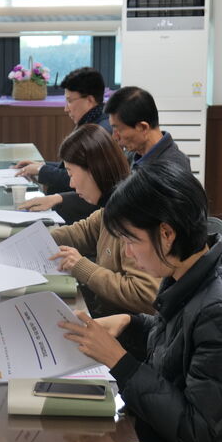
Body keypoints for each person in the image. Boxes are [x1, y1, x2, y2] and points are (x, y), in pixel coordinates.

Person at [60, 163, 222, 442]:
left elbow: (194, 429)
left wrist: (118, 360)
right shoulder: (194, 268)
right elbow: (185, 341)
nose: (128, 252)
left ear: (166, 233)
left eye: (131, 240)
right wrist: (129, 323)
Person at [49, 124, 161, 317]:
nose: (71, 184)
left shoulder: (132, 214)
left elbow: (146, 294)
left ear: (93, 170)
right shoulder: (112, 205)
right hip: (105, 313)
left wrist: (82, 267)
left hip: (126, 326)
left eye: (71, 173)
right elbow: (84, 232)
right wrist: (36, 239)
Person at [14, 67, 111, 224]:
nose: (66, 108)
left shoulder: (98, 132)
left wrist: (41, 170)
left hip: (82, 217)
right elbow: (75, 169)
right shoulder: (92, 121)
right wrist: (42, 165)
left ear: (89, 100)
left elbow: (79, 180)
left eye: (70, 101)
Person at [104, 86, 191, 171]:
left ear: (143, 127)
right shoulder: (133, 153)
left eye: (118, 130)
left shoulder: (172, 168)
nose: (114, 137)